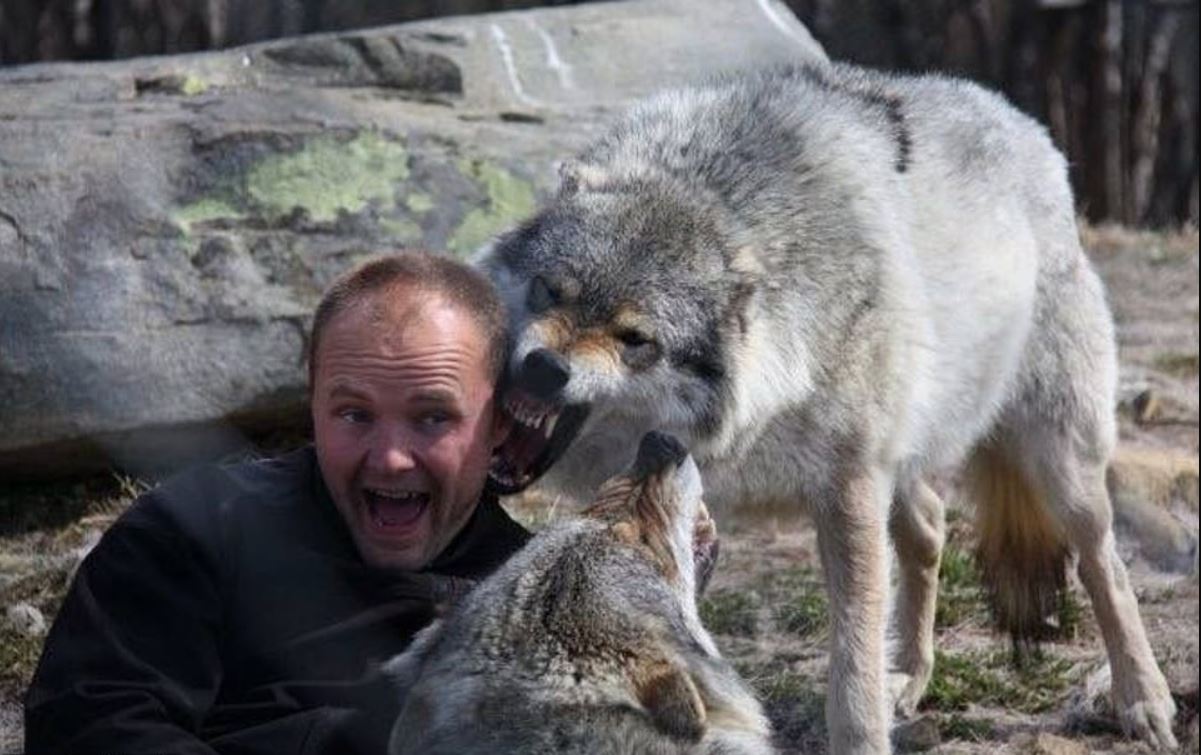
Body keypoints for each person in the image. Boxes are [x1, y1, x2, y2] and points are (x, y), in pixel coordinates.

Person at [23, 251, 529, 754]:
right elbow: (91, 723)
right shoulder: (194, 530)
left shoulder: (543, 591)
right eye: (354, 415)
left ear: (500, 422)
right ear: (312, 406)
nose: (391, 459)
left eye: (432, 417)